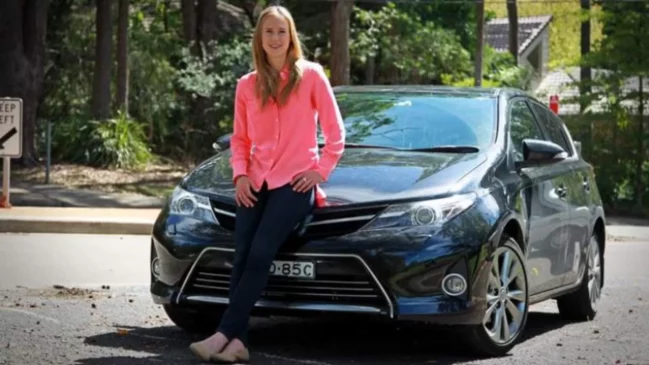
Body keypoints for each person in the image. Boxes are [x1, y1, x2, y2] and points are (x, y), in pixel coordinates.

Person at [189, 4, 345, 364]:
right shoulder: (246, 84)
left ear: (291, 37)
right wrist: (240, 174)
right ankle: (238, 344)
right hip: (255, 181)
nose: (275, 38)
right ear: (259, 38)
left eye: (281, 31)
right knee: (241, 256)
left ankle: (223, 333)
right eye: (268, 32)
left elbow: (336, 133)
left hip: (295, 183)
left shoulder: (311, 76)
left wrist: (320, 171)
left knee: (260, 252)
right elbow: (240, 139)